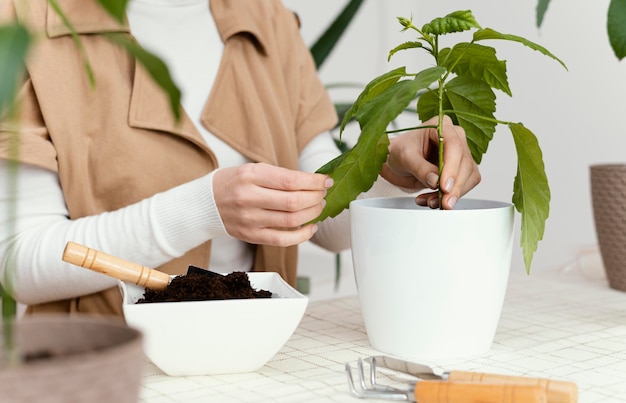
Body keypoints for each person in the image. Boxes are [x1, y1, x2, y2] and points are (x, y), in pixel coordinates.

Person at [0, 0, 480, 317]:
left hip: (256, 370)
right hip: (106, 377)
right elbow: (18, 261)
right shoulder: (25, 24)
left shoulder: (264, 17)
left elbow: (324, 219)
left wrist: (385, 170)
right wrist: (205, 210)